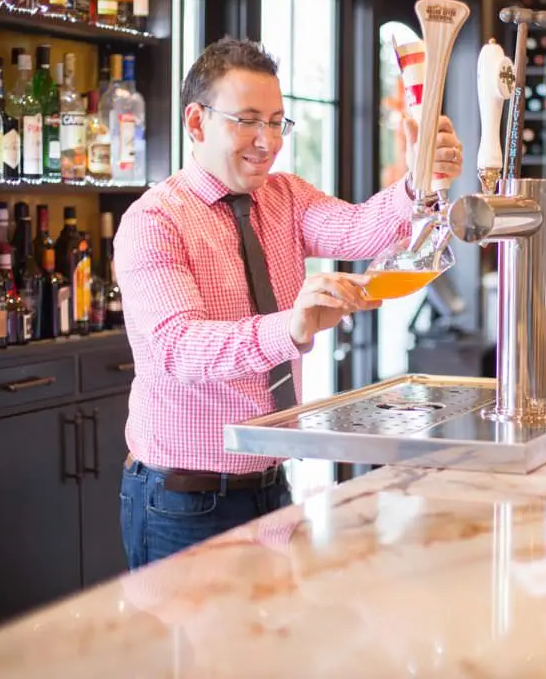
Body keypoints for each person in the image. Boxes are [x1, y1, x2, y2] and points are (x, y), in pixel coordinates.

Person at [113, 37, 464, 570]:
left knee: (270, 650)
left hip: (272, 485)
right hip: (182, 499)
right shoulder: (154, 221)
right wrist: (290, 329)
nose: (267, 141)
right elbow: (177, 348)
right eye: (248, 120)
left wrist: (420, 182)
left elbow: (360, 231)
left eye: (277, 122)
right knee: (195, 655)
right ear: (195, 121)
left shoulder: (285, 196)